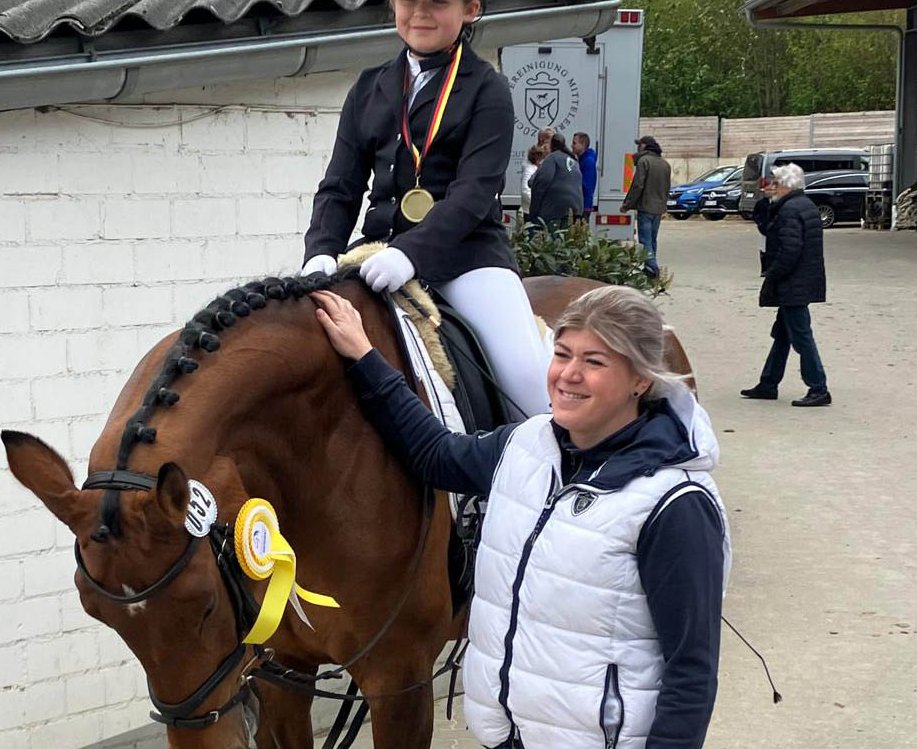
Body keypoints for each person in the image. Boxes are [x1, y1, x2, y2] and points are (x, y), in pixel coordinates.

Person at [311, 284, 731, 749]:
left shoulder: (674, 505)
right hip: (510, 737)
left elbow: (690, 669)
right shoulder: (527, 445)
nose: (568, 375)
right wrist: (366, 357)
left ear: (641, 380)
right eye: (563, 354)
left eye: (594, 362)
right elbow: (436, 454)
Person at [300, 0, 549, 417]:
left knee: (526, 380)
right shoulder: (369, 87)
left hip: (467, 259)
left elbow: (475, 192)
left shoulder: (487, 88)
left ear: (471, 8)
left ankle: (545, 478)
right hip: (376, 256)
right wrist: (320, 252)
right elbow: (339, 185)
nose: (419, 13)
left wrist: (410, 253)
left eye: (437, 1)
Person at [740, 163, 831, 407]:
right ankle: (768, 383)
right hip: (802, 280)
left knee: (801, 337)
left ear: (787, 186)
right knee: (783, 335)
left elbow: (790, 248)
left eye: (776, 184)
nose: (772, 188)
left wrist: (773, 273)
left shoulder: (790, 210)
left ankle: (818, 387)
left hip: (794, 283)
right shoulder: (804, 205)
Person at [622, 135, 672, 279]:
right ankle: (650, 268)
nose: (638, 147)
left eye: (640, 145)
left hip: (646, 207)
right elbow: (667, 187)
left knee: (645, 241)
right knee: (652, 239)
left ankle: (652, 268)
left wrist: (627, 205)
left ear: (645, 146)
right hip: (659, 209)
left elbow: (637, 185)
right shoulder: (664, 164)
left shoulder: (644, 161)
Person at [527, 133, 583, 229]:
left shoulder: (552, 158)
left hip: (555, 209)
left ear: (552, 145)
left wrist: (534, 211)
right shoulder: (573, 160)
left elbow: (541, 183)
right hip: (575, 209)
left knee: (553, 241)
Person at [572, 131, 597, 214]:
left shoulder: (588, 161)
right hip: (580, 205)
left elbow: (586, 186)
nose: (572, 146)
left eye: (574, 143)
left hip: (583, 206)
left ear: (583, 144)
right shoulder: (582, 159)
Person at [520, 143, 548, 217]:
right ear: (538, 158)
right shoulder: (529, 170)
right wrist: (537, 203)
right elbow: (525, 190)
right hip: (530, 210)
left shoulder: (536, 168)